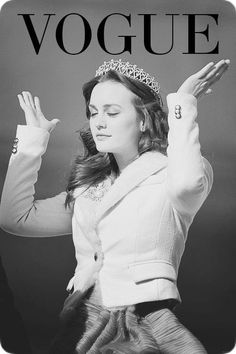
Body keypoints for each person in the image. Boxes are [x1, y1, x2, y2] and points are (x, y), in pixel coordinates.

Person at [0, 58, 230, 354]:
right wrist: (32, 139)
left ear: (144, 120)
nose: (98, 121)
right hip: (83, 322)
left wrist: (183, 104)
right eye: (93, 112)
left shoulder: (173, 173)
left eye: (112, 112)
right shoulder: (89, 187)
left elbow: (188, 184)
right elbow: (14, 218)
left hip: (144, 322)